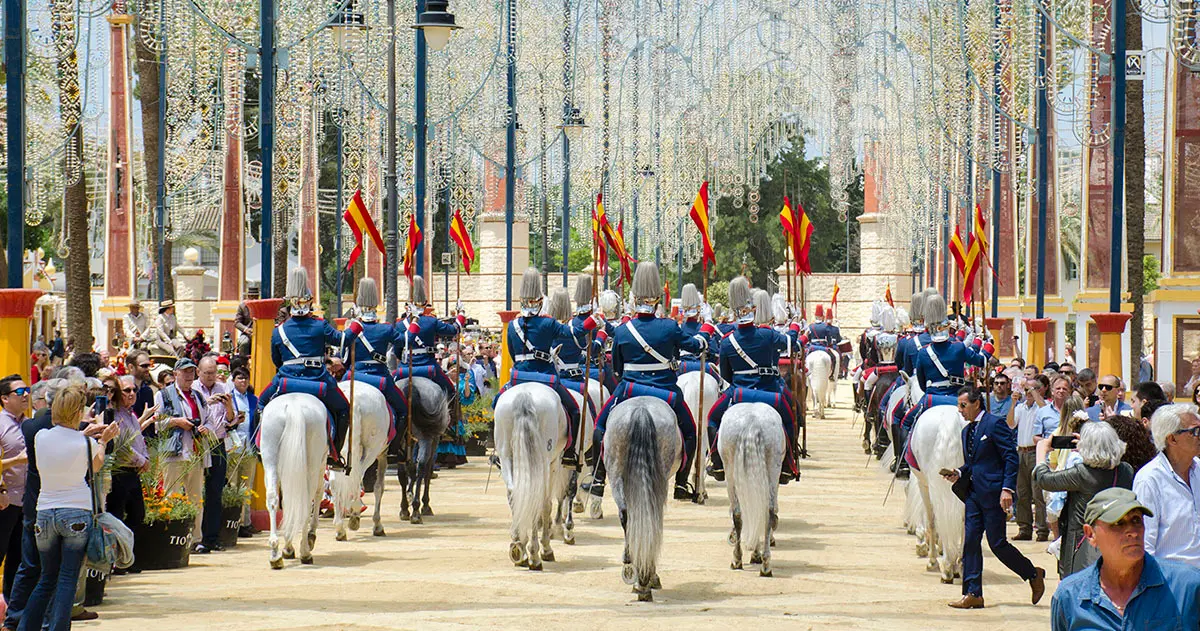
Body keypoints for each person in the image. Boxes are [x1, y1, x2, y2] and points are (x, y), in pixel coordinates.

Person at [588, 262, 714, 501]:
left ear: (634, 299)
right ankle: (681, 482)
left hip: (629, 389)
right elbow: (697, 345)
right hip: (666, 392)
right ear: (658, 299)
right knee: (690, 433)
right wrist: (707, 325)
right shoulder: (669, 327)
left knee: (600, 429)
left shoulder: (624, 330)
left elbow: (616, 368)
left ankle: (597, 478)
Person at [21, 383, 119, 631]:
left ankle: (25, 627)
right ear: (78, 412)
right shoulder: (83, 443)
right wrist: (104, 441)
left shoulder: (40, 437)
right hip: (76, 511)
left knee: (46, 578)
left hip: (45, 512)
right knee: (67, 578)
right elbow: (94, 467)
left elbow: (62, 443)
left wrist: (85, 434)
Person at [942, 386, 1046, 609]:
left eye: (963, 405)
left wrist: (1007, 489)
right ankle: (973, 593)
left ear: (976, 403)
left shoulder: (995, 424)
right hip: (973, 495)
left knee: (997, 544)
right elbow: (973, 463)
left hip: (994, 495)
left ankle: (1032, 573)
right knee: (970, 541)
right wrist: (959, 473)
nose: (960, 410)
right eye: (958, 406)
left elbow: (1010, 458)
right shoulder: (966, 431)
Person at [1050, 487, 1200, 630]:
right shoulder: (1069, 597)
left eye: (1136, 520)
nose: (1133, 532)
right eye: (1118, 523)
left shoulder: (1187, 587)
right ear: (1090, 534)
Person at [257, 267, 359, 470]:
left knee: (260, 404)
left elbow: (276, 360)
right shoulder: (320, 325)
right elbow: (343, 340)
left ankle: (258, 447)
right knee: (343, 410)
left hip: (286, 382)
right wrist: (356, 325)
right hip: (318, 381)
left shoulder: (279, 331)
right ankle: (335, 455)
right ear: (310, 301)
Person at [494, 270, 594, 468]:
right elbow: (573, 332)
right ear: (540, 300)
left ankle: (500, 451)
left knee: (497, 404)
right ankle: (570, 453)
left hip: (518, 378)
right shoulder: (548, 323)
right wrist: (593, 321)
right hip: (545, 378)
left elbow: (513, 354)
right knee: (574, 410)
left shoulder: (512, 325)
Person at [707, 280, 801, 484]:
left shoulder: (727, 342)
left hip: (739, 393)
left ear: (733, 311)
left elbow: (726, 376)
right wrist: (795, 322)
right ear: (755, 309)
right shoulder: (767, 334)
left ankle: (717, 461)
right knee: (790, 421)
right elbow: (792, 342)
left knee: (712, 419)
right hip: (771, 394)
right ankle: (788, 465)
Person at [1034, 421, 1135, 577]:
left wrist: (1041, 452)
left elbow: (1044, 480)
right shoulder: (1125, 470)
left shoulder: (1082, 474)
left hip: (1082, 541)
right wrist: (1090, 444)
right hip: (1115, 537)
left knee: (1076, 584)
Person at [341, 278, 409, 460]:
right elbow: (402, 342)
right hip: (379, 378)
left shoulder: (351, 328)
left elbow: (344, 358)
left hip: (352, 376)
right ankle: (394, 449)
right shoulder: (385, 329)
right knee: (403, 410)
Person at [1132, 403, 1200, 567]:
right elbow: (1145, 545)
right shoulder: (1149, 480)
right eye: (1195, 432)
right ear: (1172, 439)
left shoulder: (1198, 469)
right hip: (1172, 583)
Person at [153, 359, 208, 539]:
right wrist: (177, 422)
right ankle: (171, 537)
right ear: (176, 373)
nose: (188, 376)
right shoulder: (163, 395)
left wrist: (204, 428)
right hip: (173, 453)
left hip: (195, 452)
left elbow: (208, 420)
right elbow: (156, 424)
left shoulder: (198, 396)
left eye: (191, 372)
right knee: (171, 496)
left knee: (196, 498)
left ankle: (195, 538)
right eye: (185, 372)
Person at [105, 375, 156, 544]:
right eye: (127, 390)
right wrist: (142, 461)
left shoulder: (132, 415)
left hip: (133, 472)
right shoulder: (114, 415)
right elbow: (121, 446)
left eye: (134, 389)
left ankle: (128, 556)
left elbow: (139, 439)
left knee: (138, 514)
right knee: (117, 516)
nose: (132, 393)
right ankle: (119, 558)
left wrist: (146, 458)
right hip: (119, 472)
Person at [193, 356, 235, 553]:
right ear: (199, 372)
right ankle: (194, 536)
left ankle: (212, 537)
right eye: (207, 373)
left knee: (215, 491)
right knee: (193, 490)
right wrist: (206, 402)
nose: (211, 377)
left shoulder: (223, 387)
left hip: (218, 443)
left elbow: (231, 419)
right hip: (197, 443)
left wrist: (227, 405)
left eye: (213, 373)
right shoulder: (192, 388)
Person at [0, 376, 31, 599]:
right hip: (5, 501)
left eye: (27, 390)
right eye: (19, 392)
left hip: (26, 502)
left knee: (18, 558)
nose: (26, 395)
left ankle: (12, 609)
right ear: (4, 398)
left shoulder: (28, 424)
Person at [1014, 375, 1051, 541]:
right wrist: (1012, 403)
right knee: (1022, 493)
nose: (1028, 392)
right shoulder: (1020, 407)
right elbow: (1010, 423)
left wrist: (1034, 392)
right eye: (1026, 389)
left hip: (1036, 452)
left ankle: (1042, 530)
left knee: (1038, 493)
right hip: (1021, 451)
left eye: (1032, 389)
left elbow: (1044, 409)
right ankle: (1024, 528)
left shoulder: (1043, 407)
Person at [226, 367, 257, 536]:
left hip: (249, 447)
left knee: (246, 486)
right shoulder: (228, 398)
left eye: (245, 378)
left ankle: (245, 523)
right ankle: (231, 522)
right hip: (233, 446)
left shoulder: (254, 399)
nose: (243, 381)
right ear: (233, 380)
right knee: (232, 484)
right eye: (239, 378)